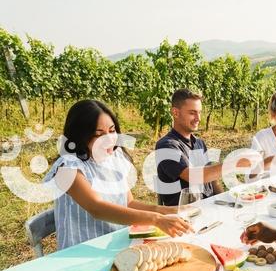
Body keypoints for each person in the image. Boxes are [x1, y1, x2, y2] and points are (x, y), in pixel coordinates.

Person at [44, 100, 192, 250]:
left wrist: (166, 211)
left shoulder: (114, 157)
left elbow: (128, 203)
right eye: (98, 134)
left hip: (118, 244)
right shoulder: (67, 168)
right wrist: (156, 219)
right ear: (79, 136)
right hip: (82, 253)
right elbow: (97, 208)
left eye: (112, 130)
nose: (109, 138)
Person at [156, 88, 252, 206]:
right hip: (184, 215)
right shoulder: (166, 146)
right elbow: (192, 176)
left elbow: (212, 180)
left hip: (209, 208)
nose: (198, 118)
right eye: (192, 113)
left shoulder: (199, 143)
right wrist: (234, 163)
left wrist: (227, 204)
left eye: (199, 112)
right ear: (175, 113)